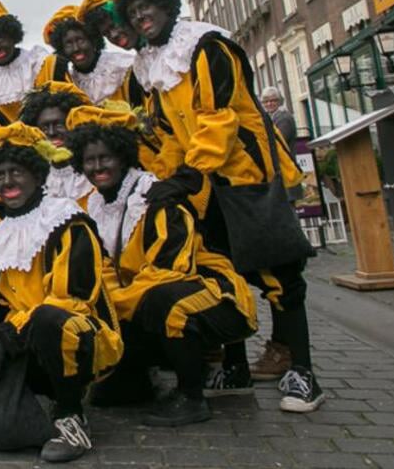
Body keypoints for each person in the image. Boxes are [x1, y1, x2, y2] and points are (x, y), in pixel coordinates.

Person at [112, 0, 322, 412]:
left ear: (168, 5)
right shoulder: (152, 64)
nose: (141, 16)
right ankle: (236, 370)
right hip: (204, 185)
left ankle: (302, 373)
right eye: (133, 12)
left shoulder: (207, 46)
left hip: (245, 178)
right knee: (221, 273)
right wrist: (166, 176)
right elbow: (167, 131)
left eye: (146, 6)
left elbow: (219, 116)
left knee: (279, 276)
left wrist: (189, 173)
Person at [0, 122, 122, 463]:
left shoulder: (67, 222)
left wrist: (3, 343)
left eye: (16, 171)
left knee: (50, 320)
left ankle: (70, 416)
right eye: (0, 175)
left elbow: (70, 301)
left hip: (77, 337)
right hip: (22, 339)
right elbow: (2, 306)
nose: (7, 182)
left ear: (35, 173)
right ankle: (28, 410)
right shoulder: (2, 233)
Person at [64, 105, 256, 426]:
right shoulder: (93, 205)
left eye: (106, 158)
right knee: (110, 387)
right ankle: (138, 378)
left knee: (162, 299)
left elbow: (171, 272)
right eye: (89, 160)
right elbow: (103, 269)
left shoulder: (155, 197)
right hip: (138, 298)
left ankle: (191, 395)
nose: (98, 167)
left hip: (209, 295)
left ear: (124, 156)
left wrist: (117, 306)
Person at [40, 5, 143, 106]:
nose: (76, 48)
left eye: (80, 40)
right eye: (68, 44)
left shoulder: (123, 66)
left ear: (93, 40)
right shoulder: (69, 82)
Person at [18, 81, 95, 203]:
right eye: (44, 128)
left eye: (59, 124)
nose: (52, 132)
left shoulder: (95, 168)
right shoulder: (36, 180)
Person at [261, 86, 300, 154]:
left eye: (273, 100)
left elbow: (279, 141)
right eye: (265, 101)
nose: (269, 104)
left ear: (279, 101)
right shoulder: (270, 116)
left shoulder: (283, 118)